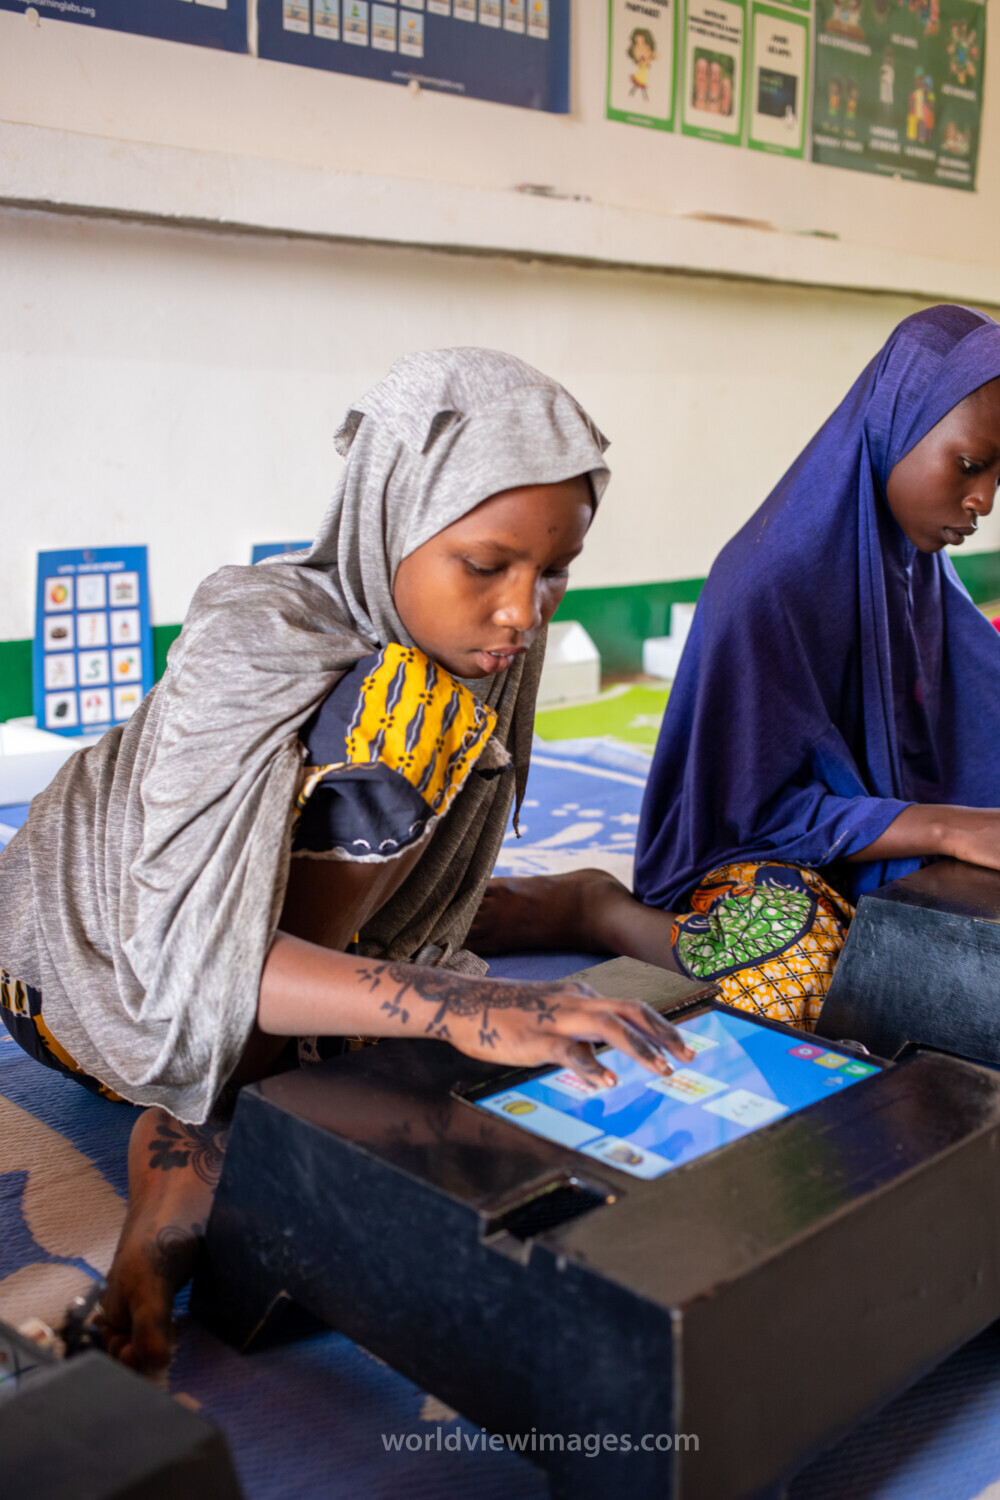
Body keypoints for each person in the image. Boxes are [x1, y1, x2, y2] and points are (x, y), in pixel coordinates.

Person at [0, 349, 693, 1372]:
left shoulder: (481, 645)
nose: (523, 610)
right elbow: (180, 963)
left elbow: (432, 908)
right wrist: (478, 1008)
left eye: (554, 572)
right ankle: (169, 1220)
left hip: (287, 937)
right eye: (487, 564)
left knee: (415, 986)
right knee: (403, 745)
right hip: (86, 970)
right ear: (390, 520)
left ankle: (579, 908)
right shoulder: (255, 636)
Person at [473, 305, 1000, 1031]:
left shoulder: (917, 567)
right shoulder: (771, 583)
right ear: (898, 426)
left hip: (879, 837)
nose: (984, 501)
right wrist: (943, 828)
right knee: (801, 977)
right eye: (971, 466)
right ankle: (599, 910)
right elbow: (744, 816)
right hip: (759, 858)